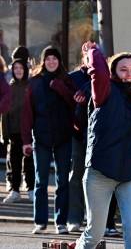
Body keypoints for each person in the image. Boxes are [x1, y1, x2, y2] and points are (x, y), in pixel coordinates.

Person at [75, 41, 131, 249]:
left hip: (130, 175)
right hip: (100, 173)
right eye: (123, 69)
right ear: (113, 73)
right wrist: (92, 50)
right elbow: (98, 70)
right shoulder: (104, 92)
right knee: (95, 234)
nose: (129, 74)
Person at [21, 46, 76, 234]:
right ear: (43, 62)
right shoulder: (34, 83)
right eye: (48, 59)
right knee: (41, 181)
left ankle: (61, 222)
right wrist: (26, 140)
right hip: (41, 138)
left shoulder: (67, 80)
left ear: (59, 61)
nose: (51, 62)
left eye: (55, 58)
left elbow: (74, 104)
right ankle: (40, 221)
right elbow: (27, 113)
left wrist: (61, 89)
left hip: (64, 137)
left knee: (63, 181)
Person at [2, 58, 34, 203]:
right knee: (13, 162)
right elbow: (5, 113)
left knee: (29, 162)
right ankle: (14, 190)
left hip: (29, 133)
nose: (18, 71)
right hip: (14, 132)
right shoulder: (10, 87)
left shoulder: (31, 86)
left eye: (21, 68)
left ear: (26, 69)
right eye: (15, 68)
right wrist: (5, 133)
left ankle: (31, 189)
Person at [67, 45, 91, 233]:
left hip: (99, 136)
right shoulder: (73, 78)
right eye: (88, 56)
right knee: (76, 175)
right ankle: (74, 217)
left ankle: (95, 220)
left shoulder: (104, 77)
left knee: (97, 180)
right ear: (83, 58)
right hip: (77, 134)